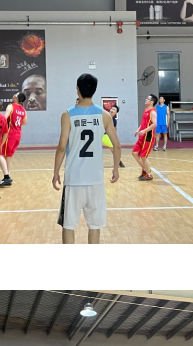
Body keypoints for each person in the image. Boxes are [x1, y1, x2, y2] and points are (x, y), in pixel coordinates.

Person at [52, 74, 121, 244]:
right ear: (94, 90)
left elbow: (62, 147)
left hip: (74, 179)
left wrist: (55, 173)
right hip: (95, 179)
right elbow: (117, 145)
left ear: (77, 89)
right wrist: (115, 168)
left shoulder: (67, 115)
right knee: (94, 226)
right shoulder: (105, 115)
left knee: (68, 226)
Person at [0, 92, 27, 187]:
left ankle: (6, 177)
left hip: (9, 134)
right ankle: (7, 177)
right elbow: (25, 122)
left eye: (15, 94)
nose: (13, 95)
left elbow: (4, 118)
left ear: (16, 98)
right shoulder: (23, 109)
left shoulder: (11, 106)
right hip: (18, 134)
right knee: (8, 157)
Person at [132, 94, 157, 181]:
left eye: (148, 99)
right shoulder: (145, 110)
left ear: (152, 102)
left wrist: (144, 131)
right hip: (141, 136)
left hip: (148, 137)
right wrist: (138, 129)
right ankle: (146, 169)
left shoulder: (153, 112)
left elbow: (154, 124)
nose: (145, 100)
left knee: (143, 156)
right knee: (134, 153)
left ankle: (148, 174)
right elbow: (143, 122)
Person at [104, 103, 125, 168]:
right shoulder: (104, 116)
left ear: (116, 113)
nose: (112, 110)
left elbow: (114, 130)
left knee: (113, 149)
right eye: (112, 109)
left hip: (105, 136)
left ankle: (119, 161)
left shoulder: (114, 121)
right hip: (98, 134)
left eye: (114, 110)